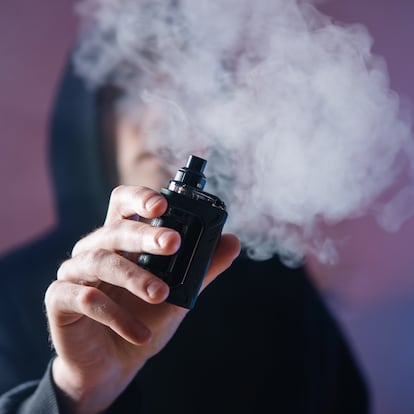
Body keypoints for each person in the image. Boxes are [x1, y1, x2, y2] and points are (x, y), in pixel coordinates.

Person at [0, 10, 370, 414]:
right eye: (129, 90)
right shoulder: (8, 293)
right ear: (90, 115)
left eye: (190, 94)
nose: (160, 121)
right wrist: (75, 391)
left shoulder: (277, 283)